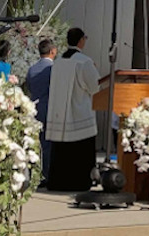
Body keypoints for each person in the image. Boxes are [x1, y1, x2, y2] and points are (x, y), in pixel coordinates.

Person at [47, 27, 101, 191]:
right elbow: (95, 87)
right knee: (79, 153)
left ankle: (57, 182)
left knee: (61, 152)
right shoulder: (84, 62)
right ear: (81, 41)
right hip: (78, 113)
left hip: (59, 115)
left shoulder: (58, 62)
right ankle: (79, 182)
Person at [26, 38, 57, 184]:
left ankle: (34, 173)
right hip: (50, 107)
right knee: (48, 144)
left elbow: (29, 87)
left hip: (34, 107)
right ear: (53, 51)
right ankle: (46, 174)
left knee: (35, 143)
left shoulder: (32, 69)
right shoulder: (53, 69)